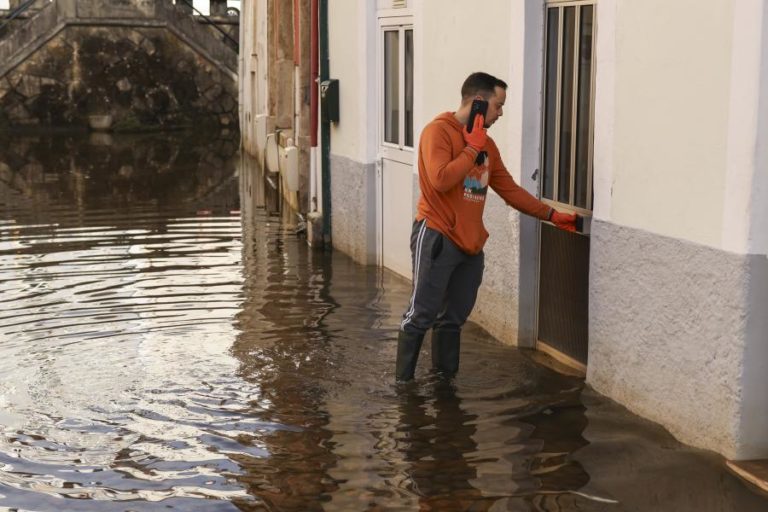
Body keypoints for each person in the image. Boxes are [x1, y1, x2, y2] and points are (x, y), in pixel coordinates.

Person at [395, 71, 577, 382]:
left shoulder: (487, 146)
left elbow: (510, 190)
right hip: (437, 236)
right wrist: (470, 148)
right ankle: (403, 389)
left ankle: (443, 385)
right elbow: (440, 180)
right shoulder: (437, 132)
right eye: (498, 105)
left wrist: (550, 215)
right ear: (479, 103)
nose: (501, 113)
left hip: (470, 245)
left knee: (453, 318)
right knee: (420, 314)